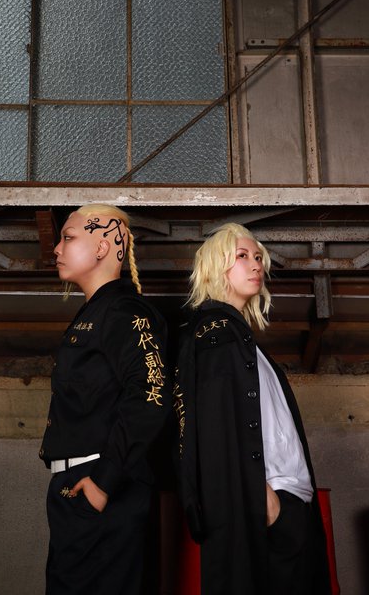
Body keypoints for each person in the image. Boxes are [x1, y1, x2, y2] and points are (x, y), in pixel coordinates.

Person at [174, 222, 331, 595]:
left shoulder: (241, 341)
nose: (256, 264)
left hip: (289, 504)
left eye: (258, 257)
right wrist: (264, 501)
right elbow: (215, 431)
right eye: (242, 256)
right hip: (268, 508)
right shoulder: (216, 334)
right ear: (216, 267)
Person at [39, 203, 170, 595]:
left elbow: (151, 397)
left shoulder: (124, 312)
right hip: (77, 485)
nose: (56, 249)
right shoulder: (95, 313)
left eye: (68, 237)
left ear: (102, 247)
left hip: (101, 485)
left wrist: (103, 483)